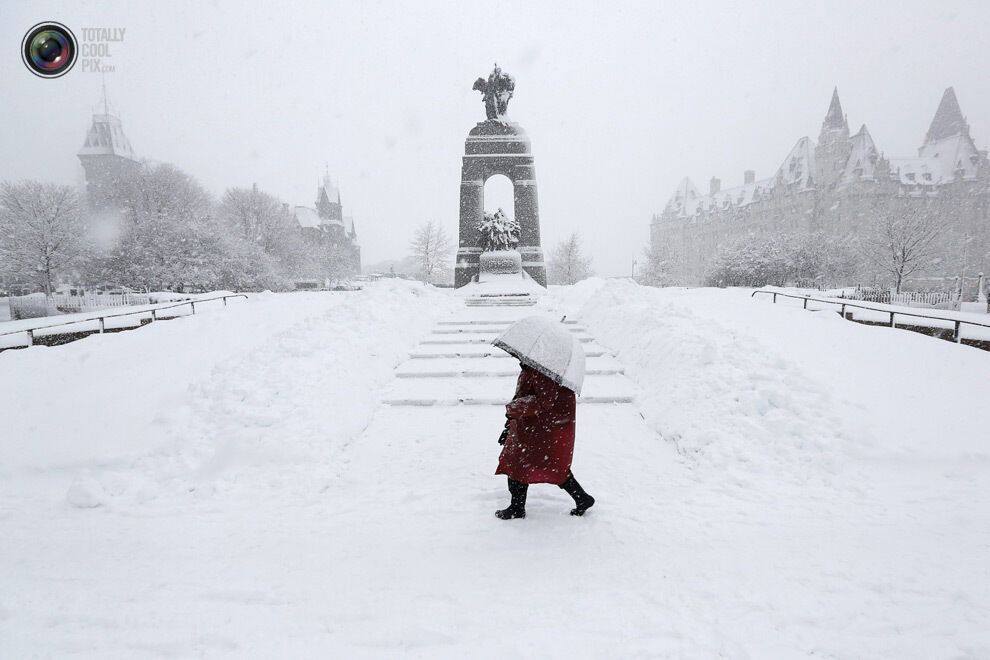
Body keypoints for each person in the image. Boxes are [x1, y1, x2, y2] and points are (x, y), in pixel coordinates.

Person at [494, 362, 595, 519]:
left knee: (521, 465)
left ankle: (517, 508)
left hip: (540, 429)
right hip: (530, 427)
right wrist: (508, 426)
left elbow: (543, 401)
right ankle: (582, 498)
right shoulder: (532, 368)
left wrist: (513, 408)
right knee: (526, 465)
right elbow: (523, 395)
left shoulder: (544, 371)